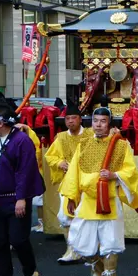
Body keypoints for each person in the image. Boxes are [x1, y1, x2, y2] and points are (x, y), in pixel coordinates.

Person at [60, 107, 138, 276]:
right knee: (80, 244)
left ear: (109, 123)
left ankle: (110, 274)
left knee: (110, 245)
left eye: (103, 121)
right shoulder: (84, 144)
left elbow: (130, 171)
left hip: (109, 202)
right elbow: (73, 172)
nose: (98, 125)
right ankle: (99, 270)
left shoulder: (120, 145)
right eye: (95, 121)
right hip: (88, 202)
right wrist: (71, 197)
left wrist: (114, 175)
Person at [0, 97, 44, 276]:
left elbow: (25, 171)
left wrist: (21, 198)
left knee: (18, 239)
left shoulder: (22, 141)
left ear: (0, 123)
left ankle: (30, 271)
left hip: (16, 198)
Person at [45, 99, 93, 263]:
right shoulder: (61, 137)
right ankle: (71, 249)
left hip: (87, 183)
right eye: (67, 119)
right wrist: (59, 163)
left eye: (73, 118)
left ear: (80, 119)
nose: (70, 121)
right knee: (65, 216)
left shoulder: (90, 135)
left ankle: (88, 251)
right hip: (68, 182)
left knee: (87, 216)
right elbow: (50, 155)